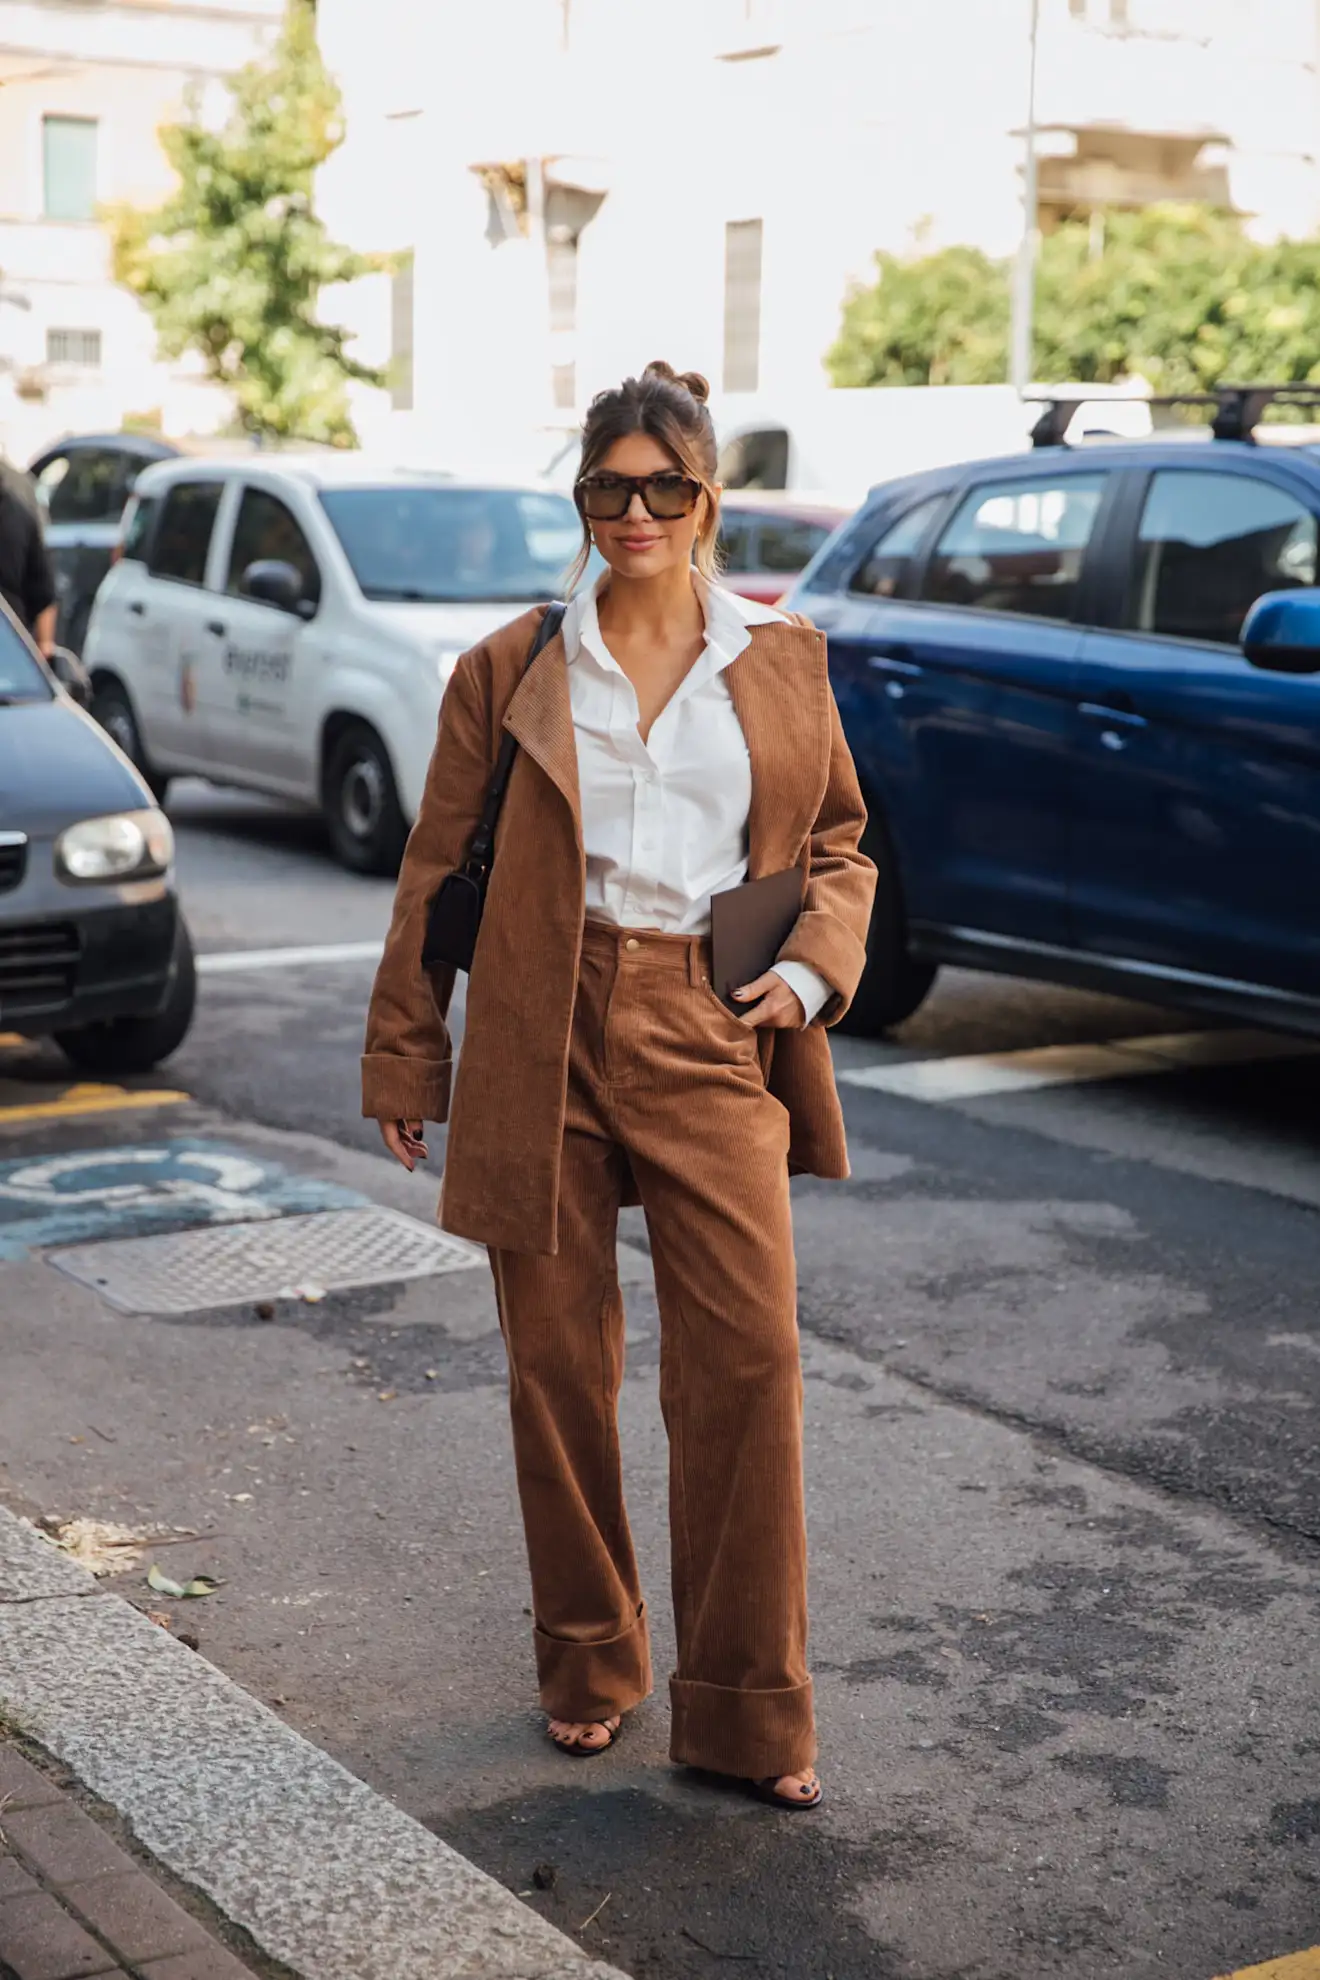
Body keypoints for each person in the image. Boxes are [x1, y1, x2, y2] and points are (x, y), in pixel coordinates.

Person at [362, 361, 876, 1810]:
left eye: (666, 488)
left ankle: (749, 1708)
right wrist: (411, 1047)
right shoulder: (515, 664)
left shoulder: (782, 659)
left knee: (747, 1367)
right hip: (543, 1016)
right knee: (558, 1365)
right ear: (582, 500)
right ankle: (591, 1657)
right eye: (608, 489)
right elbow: (431, 868)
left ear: (708, 500)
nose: (636, 513)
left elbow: (838, 844)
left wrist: (813, 971)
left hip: (711, 1023)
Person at [0, 464, 57, 656]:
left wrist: (44, 654)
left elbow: (44, 596)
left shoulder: (19, 515)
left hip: (10, 659)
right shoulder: (21, 509)